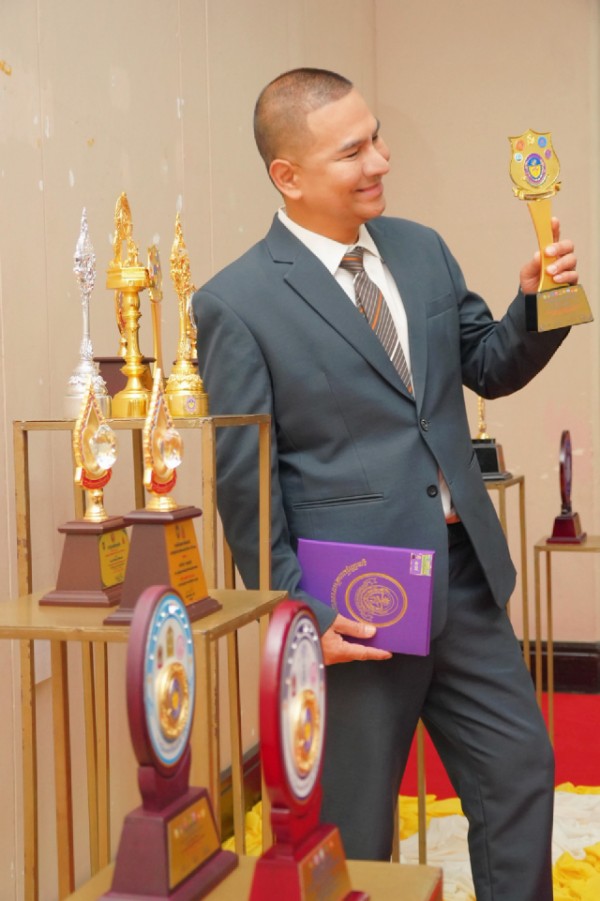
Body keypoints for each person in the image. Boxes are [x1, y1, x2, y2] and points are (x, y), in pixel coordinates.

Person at [193, 68, 579, 900]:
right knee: (356, 825)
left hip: (464, 575)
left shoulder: (420, 248)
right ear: (288, 176)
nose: (380, 161)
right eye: (352, 151)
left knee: (520, 773)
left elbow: (486, 364)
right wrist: (301, 612)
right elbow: (245, 485)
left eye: (376, 138)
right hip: (355, 606)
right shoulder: (237, 302)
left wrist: (538, 303)